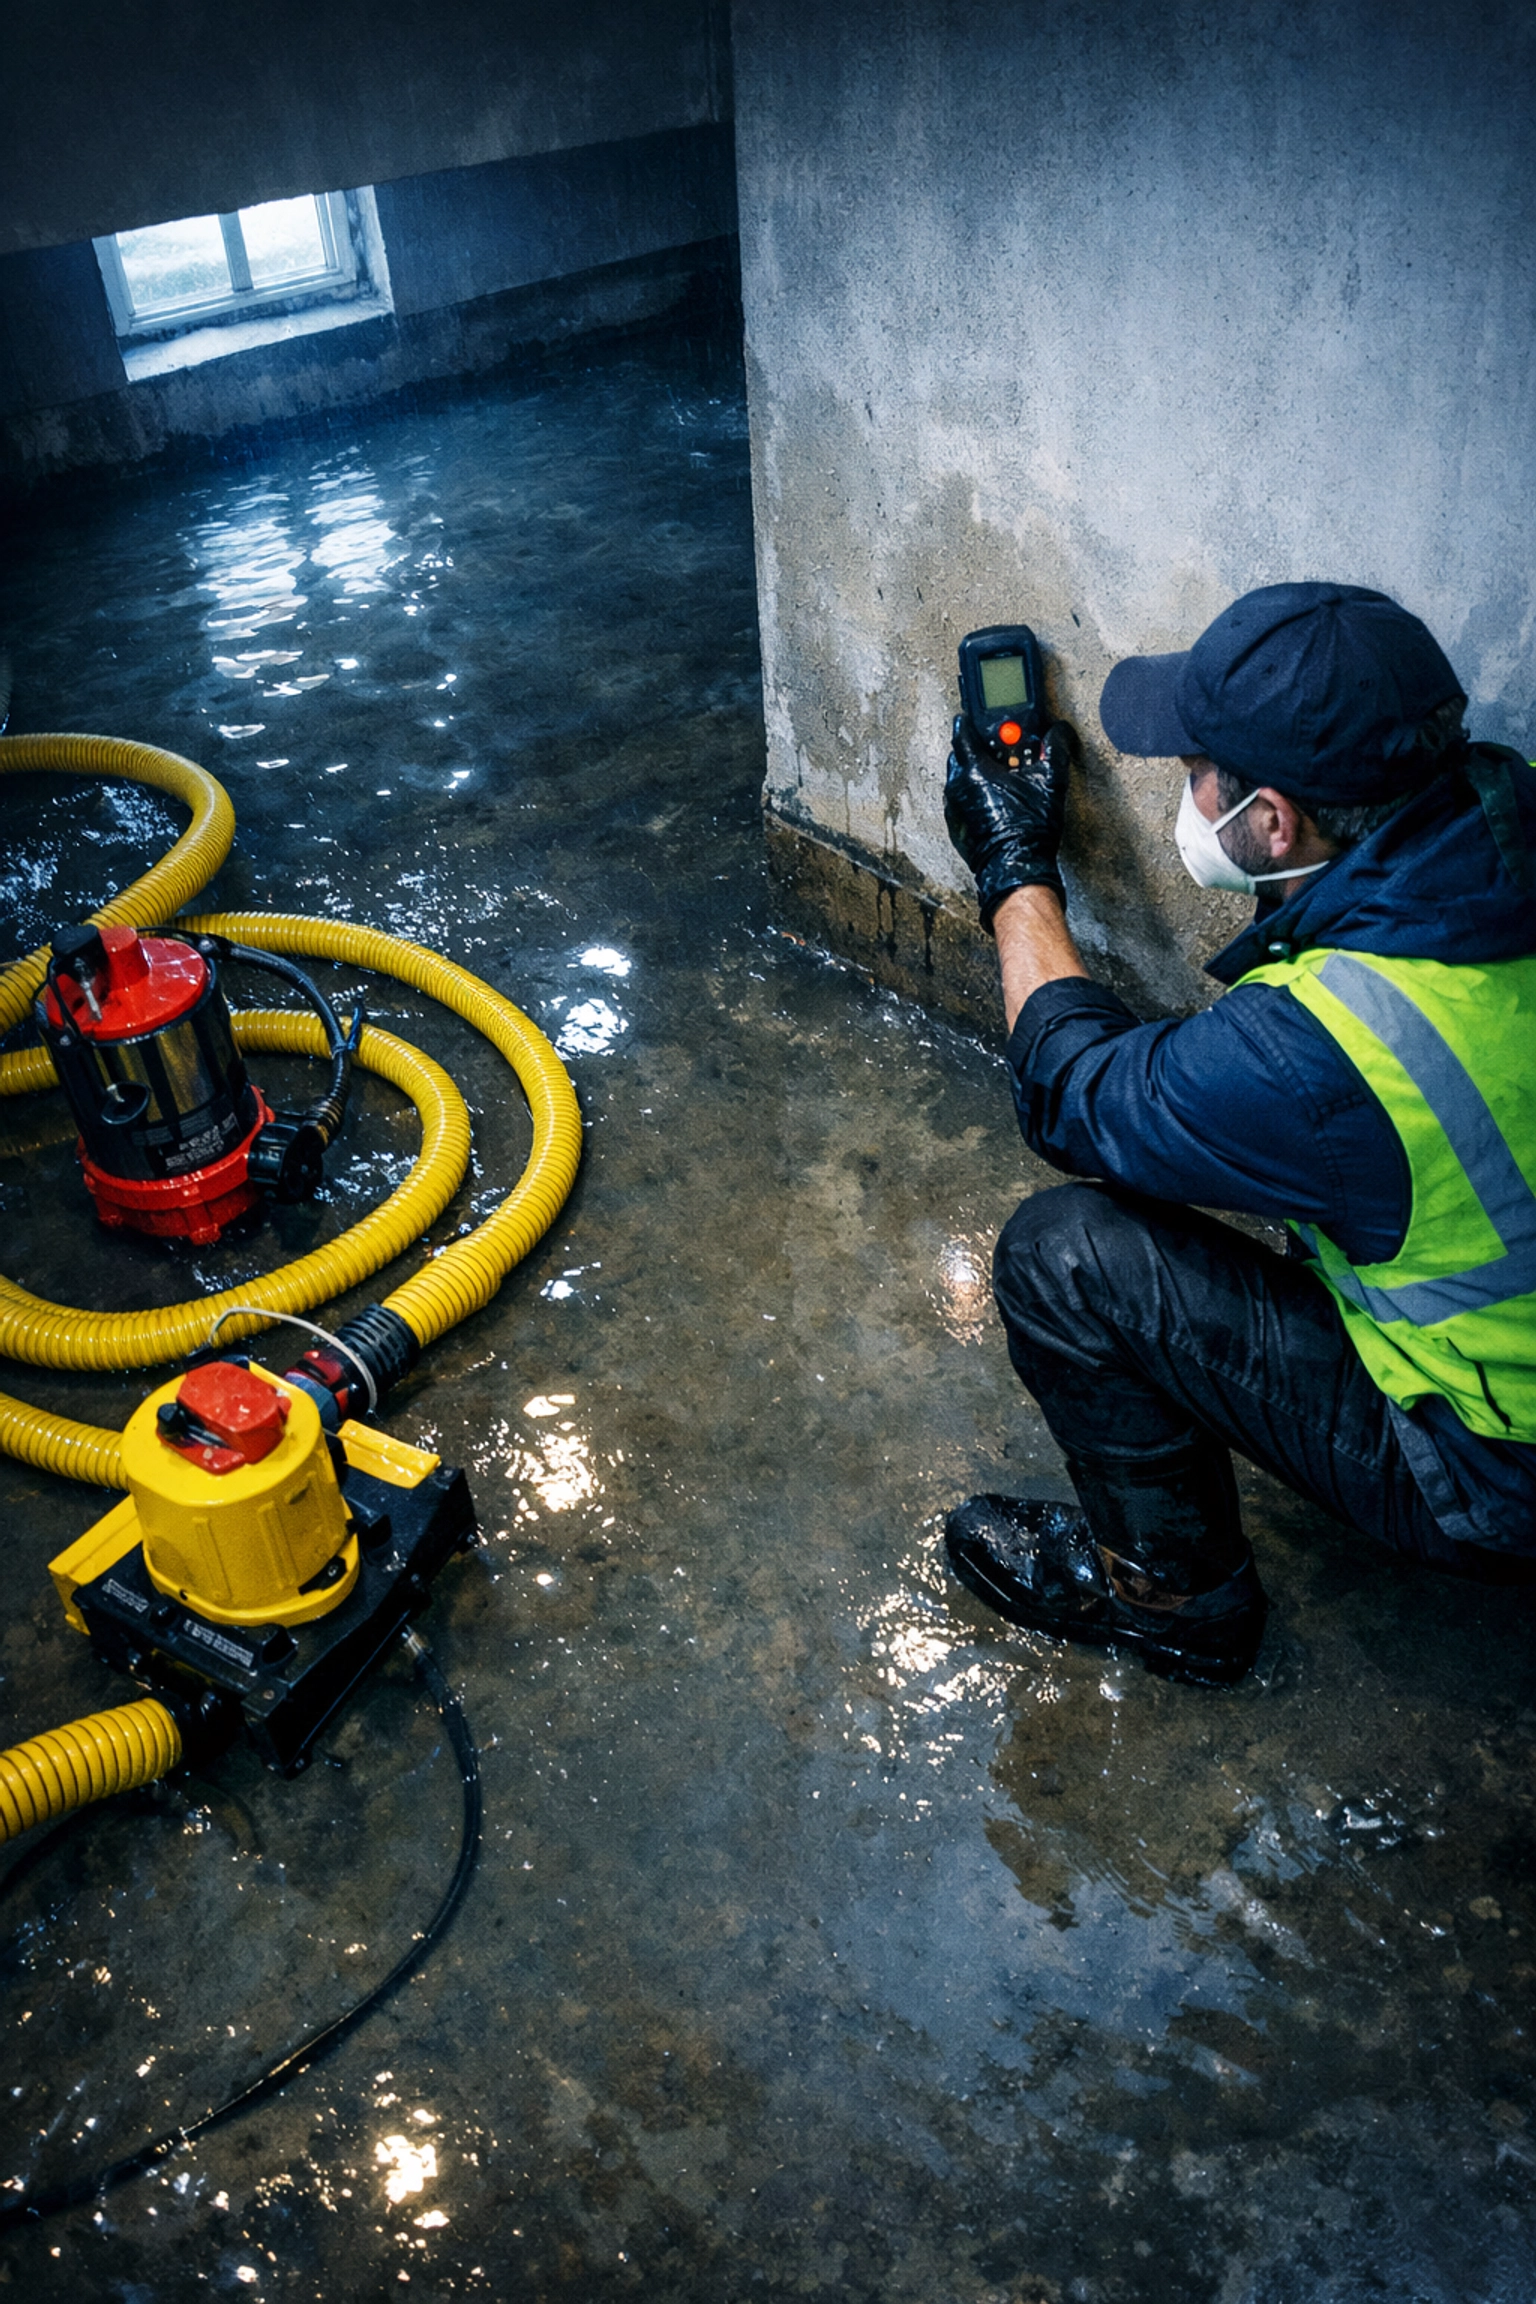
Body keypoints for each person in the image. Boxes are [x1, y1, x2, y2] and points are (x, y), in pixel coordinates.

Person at [940, 580, 1536, 1686]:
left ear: (1271, 821)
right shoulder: (1501, 853)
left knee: (1064, 1257)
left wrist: (1014, 869)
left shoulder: (1335, 1045)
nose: (1184, 784)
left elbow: (1075, 1096)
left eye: (1198, 767)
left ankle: (1177, 1608)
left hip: (1496, 1475)